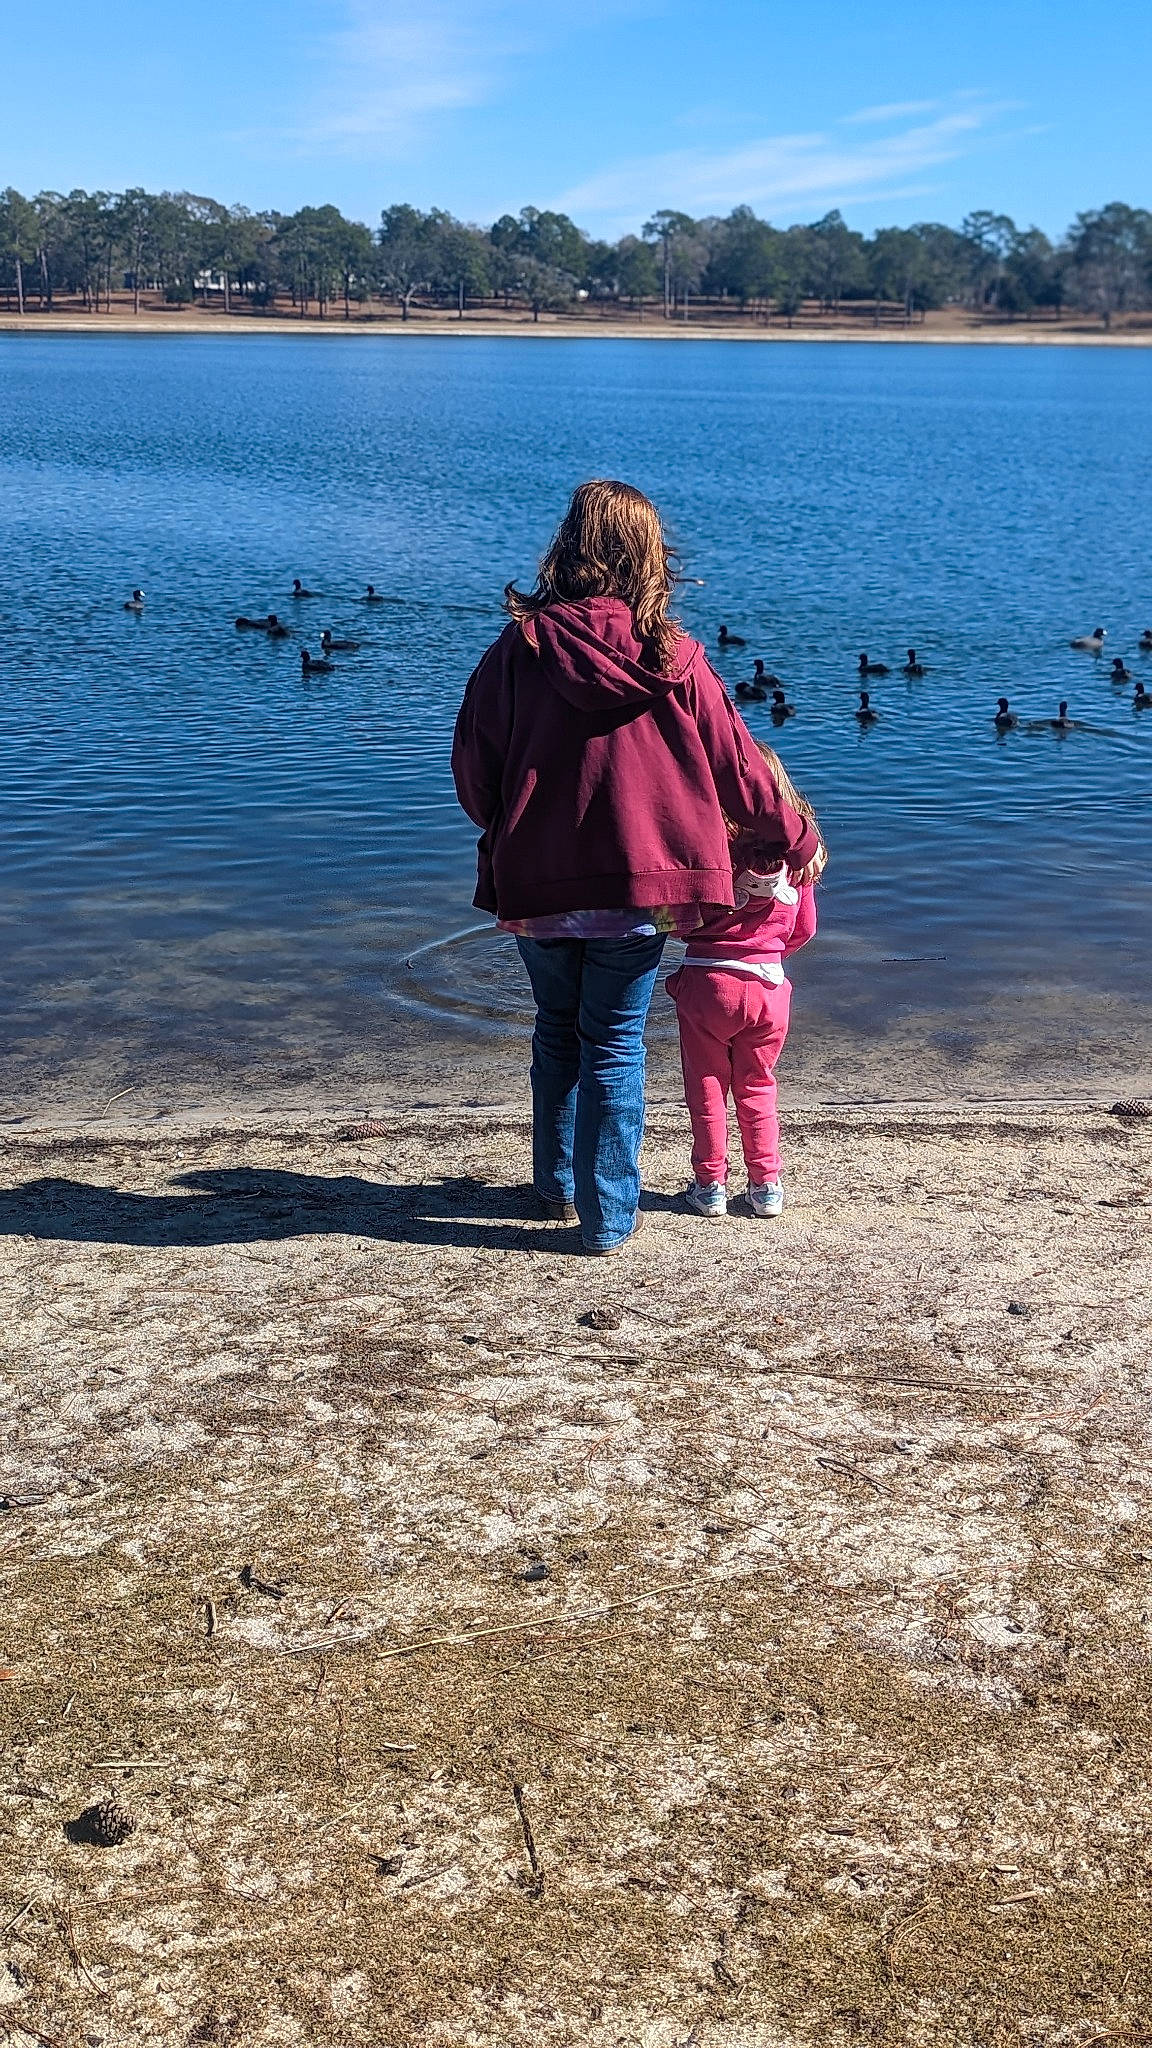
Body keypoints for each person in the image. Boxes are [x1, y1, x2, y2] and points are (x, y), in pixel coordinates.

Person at [451, 480, 825, 1254]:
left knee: (556, 1030)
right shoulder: (676, 657)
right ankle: (608, 1220)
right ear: (652, 558)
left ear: (568, 547)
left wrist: (514, 829)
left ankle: (554, 1187)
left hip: (538, 883)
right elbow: (743, 775)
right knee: (614, 1040)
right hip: (648, 895)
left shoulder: (517, 651)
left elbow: (473, 772)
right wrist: (791, 839)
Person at [665, 745, 820, 1222]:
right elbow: (805, 929)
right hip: (770, 989)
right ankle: (766, 1185)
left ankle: (710, 1184)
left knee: (707, 1085)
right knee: (758, 1086)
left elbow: (682, 925)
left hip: (708, 984)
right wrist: (769, 954)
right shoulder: (795, 862)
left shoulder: (712, 854)